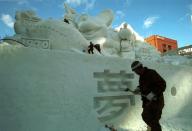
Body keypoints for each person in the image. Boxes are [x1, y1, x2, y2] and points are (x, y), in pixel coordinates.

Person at [125, 61, 166, 131]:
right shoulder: (142, 76)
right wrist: (138, 89)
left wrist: (153, 94)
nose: (136, 73)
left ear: (140, 68)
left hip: (157, 102)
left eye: (136, 71)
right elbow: (143, 86)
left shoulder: (151, 73)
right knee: (151, 119)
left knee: (150, 119)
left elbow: (162, 84)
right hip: (148, 103)